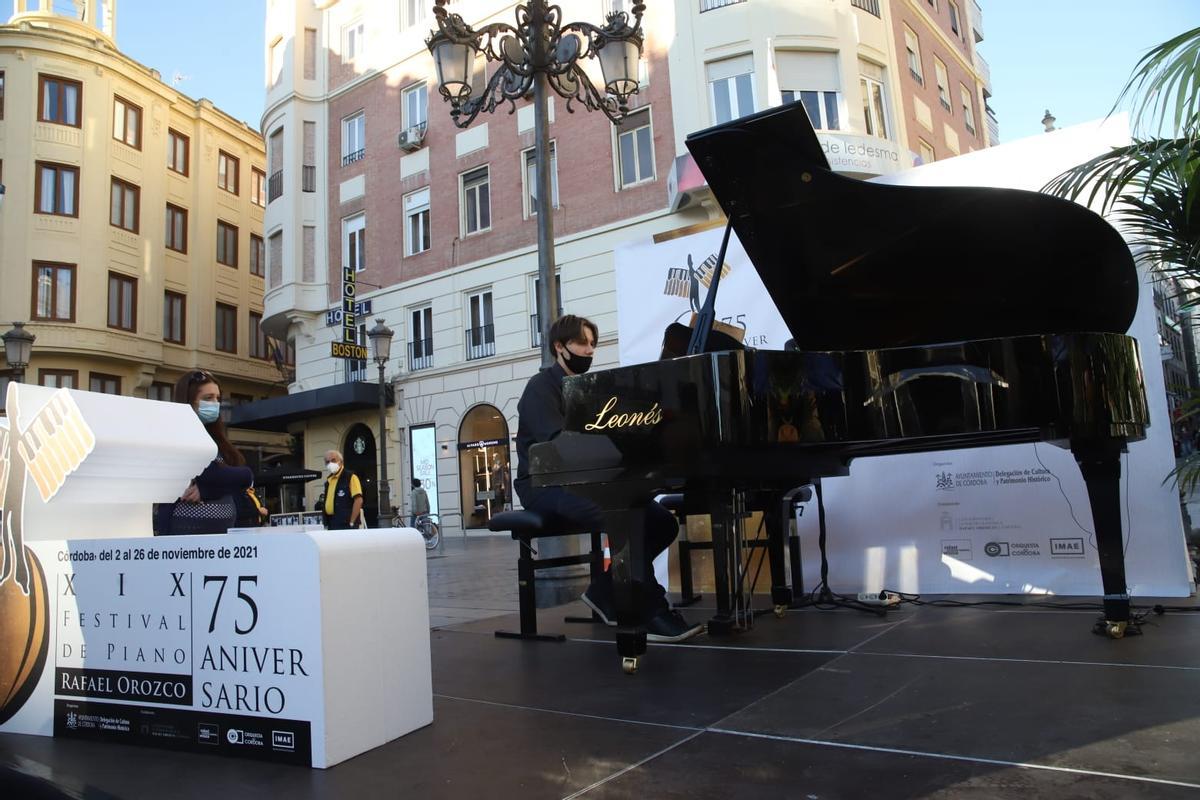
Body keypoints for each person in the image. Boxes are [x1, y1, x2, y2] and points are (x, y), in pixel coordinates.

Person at [514, 314, 703, 643]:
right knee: (627, 519)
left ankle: (604, 589)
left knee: (662, 523)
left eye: (592, 344)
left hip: (589, 482)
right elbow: (557, 444)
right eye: (581, 343)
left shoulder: (589, 389)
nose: (589, 351)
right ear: (560, 347)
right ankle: (648, 611)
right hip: (545, 486)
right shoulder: (540, 388)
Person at [155, 370, 254, 535]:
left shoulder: (215, 438)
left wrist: (209, 489)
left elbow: (225, 477)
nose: (215, 403)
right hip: (186, 534)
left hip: (221, 536)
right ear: (189, 402)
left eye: (217, 398)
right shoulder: (179, 436)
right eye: (208, 398)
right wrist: (243, 475)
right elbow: (214, 474)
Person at [321, 449, 364, 529]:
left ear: (340, 461)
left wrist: (352, 522)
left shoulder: (351, 477)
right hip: (332, 523)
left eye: (333, 460)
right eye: (327, 462)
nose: (330, 463)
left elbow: (358, 500)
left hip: (346, 524)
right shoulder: (328, 481)